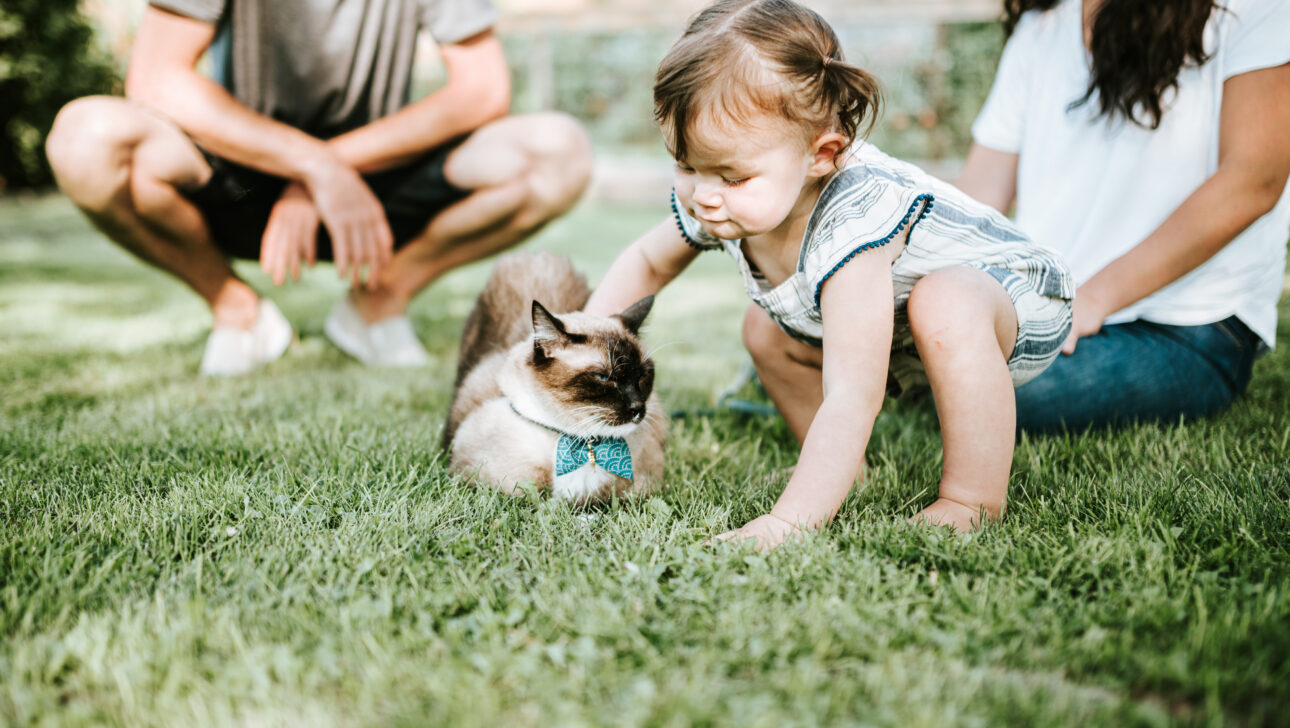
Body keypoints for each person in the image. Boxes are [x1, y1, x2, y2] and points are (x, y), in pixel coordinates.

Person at [584, 0, 1075, 546]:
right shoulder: (725, 196)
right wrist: (581, 340)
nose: (704, 195)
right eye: (685, 164)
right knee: (763, 329)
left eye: (731, 175)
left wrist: (787, 523)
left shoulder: (854, 222)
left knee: (944, 304)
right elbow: (647, 260)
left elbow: (852, 393)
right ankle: (844, 474)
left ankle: (969, 497)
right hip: (906, 317)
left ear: (822, 154)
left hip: (1015, 294)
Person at [45, 0, 592, 375]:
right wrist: (311, 166)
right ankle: (237, 311)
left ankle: (380, 298)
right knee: (85, 140)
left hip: (378, 189)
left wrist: (330, 168)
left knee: (558, 152)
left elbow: (482, 90)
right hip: (239, 174)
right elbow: (157, 77)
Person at [956, 0, 1290, 433]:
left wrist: (1092, 299)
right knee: (941, 341)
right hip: (1048, 308)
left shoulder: (1256, 8)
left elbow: (1253, 181)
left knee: (984, 387)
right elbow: (981, 194)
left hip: (1189, 325)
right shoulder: (1042, 26)